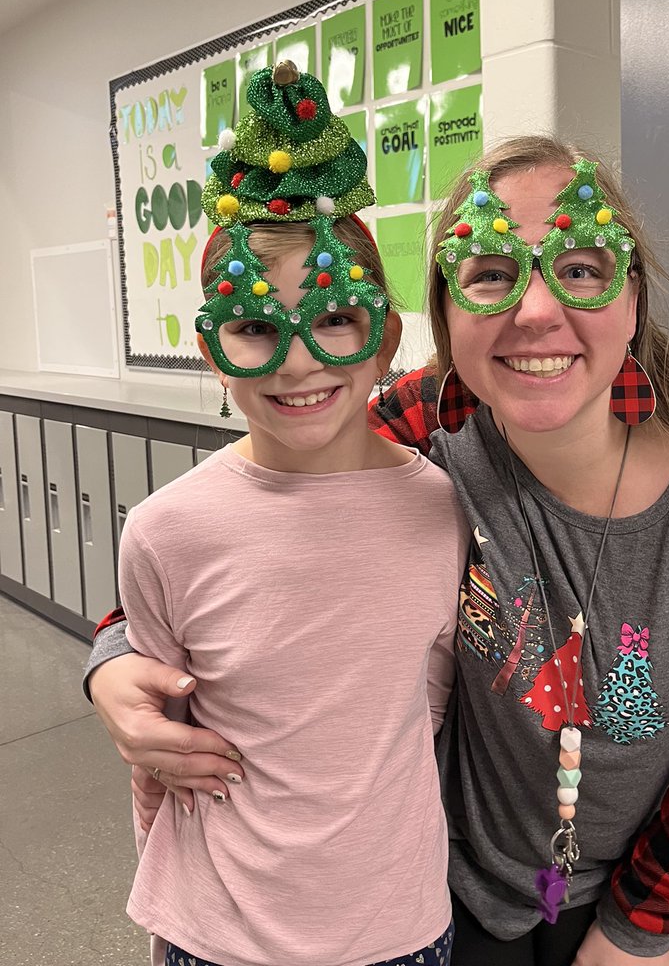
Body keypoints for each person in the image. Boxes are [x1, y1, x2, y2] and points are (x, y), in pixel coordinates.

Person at [87, 135, 669, 966]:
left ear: (633, 299)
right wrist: (115, 655)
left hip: (629, 906)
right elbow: (254, 529)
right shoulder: (428, 426)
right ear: (445, 316)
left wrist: (638, 929)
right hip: (440, 899)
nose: (538, 311)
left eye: (581, 268)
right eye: (490, 273)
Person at [102, 63, 467, 966]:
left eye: (336, 317)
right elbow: (159, 744)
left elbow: (426, 700)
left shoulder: (445, 507)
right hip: (218, 928)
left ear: (386, 336)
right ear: (211, 353)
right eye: (257, 327)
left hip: (397, 924)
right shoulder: (164, 530)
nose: (297, 363)